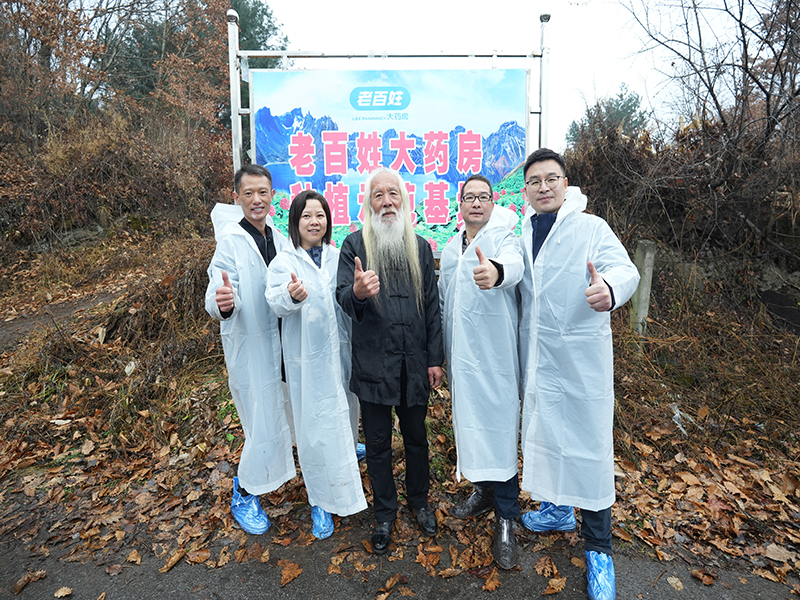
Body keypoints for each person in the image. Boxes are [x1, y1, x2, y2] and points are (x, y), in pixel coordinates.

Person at [518, 149, 640, 600]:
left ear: (566, 184)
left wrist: (608, 288)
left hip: (582, 358)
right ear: (526, 190)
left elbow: (625, 270)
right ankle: (555, 510)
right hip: (541, 357)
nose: (544, 187)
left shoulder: (590, 227)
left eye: (552, 178)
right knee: (547, 438)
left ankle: (599, 551)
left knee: (589, 451)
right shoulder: (522, 230)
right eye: (535, 181)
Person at [336, 167, 444, 555]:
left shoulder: (421, 247)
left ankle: (419, 502)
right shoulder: (354, 245)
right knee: (378, 444)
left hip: (414, 364)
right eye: (378, 195)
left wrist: (435, 358)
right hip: (372, 366)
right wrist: (360, 293)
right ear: (368, 203)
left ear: (403, 200)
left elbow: (432, 307)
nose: (386, 202)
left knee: (416, 439)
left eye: (392, 194)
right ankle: (385, 512)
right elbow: (343, 298)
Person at [265, 190, 368, 539]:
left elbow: (349, 298)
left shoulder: (339, 256)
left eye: (320, 216)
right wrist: (290, 297)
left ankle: (343, 478)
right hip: (307, 361)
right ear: (295, 222)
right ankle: (320, 501)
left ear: (328, 221)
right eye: (307, 216)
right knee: (312, 431)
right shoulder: (284, 261)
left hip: (340, 356)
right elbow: (275, 301)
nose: (314, 222)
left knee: (344, 420)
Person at [438, 174, 524, 570]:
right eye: (469, 197)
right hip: (461, 360)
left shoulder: (503, 238)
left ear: (493, 202)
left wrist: (496, 273)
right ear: (460, 203)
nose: (476, 203)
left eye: (483, 197)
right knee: (472, 427)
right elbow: (441, 305)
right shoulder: (450, 249)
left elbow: (514, 266)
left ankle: (506, 517)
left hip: (495, 359)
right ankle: (484, 492)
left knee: (500, 432)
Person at [205, 164, 294, 535]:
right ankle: (244, 492)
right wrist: (223, 300)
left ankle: (308, 455)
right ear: (237, 197)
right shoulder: (231, 242)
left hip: (285, 341)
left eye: (263, 192)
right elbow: (218, 288)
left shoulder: (281, 237)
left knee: (288, 408)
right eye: (248, 194)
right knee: (260, 422)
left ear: (272, 195)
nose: (257, 200)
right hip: (253, 345)